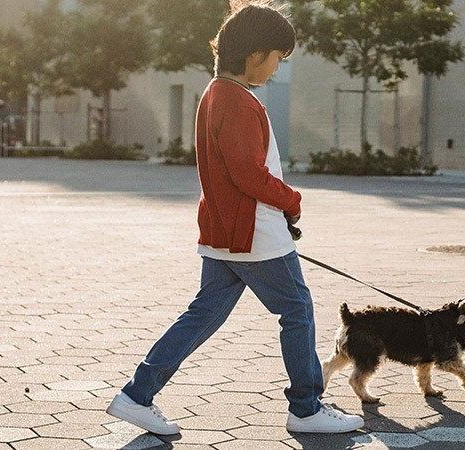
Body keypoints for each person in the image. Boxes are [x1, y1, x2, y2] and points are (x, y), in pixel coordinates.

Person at [106, 1, 364, 435]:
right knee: (297, 309)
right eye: (278, 59)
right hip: (255, 234)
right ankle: (306, 407)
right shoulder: (239, 101)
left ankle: (136, 395)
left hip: (224, 232)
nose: (277, 69)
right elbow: (249, 174)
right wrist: (292, 200)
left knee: (202, 315)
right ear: (254, 55)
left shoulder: (214, 93)